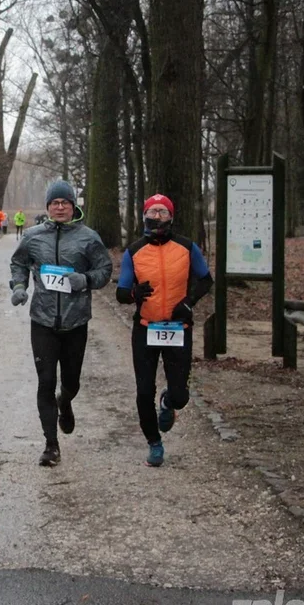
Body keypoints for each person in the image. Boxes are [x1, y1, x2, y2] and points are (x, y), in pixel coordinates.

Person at [10, 181, 113, 466]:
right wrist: (19, 286)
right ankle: (50, 445)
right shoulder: (32, 236)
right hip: (42, 320)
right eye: (54, 203)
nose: (59, 207)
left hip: (75, 321)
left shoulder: (88, 238)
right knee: (45, 382)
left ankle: (65, 400)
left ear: (73, 206)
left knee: (71, 382)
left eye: (64, 202)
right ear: (47, 207)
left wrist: (87, 280)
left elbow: (104, 269)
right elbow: (18, 263)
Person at [115, 194, 213, 467]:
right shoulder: (133, 251)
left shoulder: (186, 247)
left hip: (178, 328)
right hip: (146, 329)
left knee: (181, 395)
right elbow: (121, 293)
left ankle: (169, 403)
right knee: (143, 391)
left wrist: (188, 303)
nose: (157, 216)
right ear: (144, 216)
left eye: (163, 211)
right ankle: (154, 443)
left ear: (171, 216)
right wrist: (135, 293)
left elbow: (206, 280)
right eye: (152, 211)